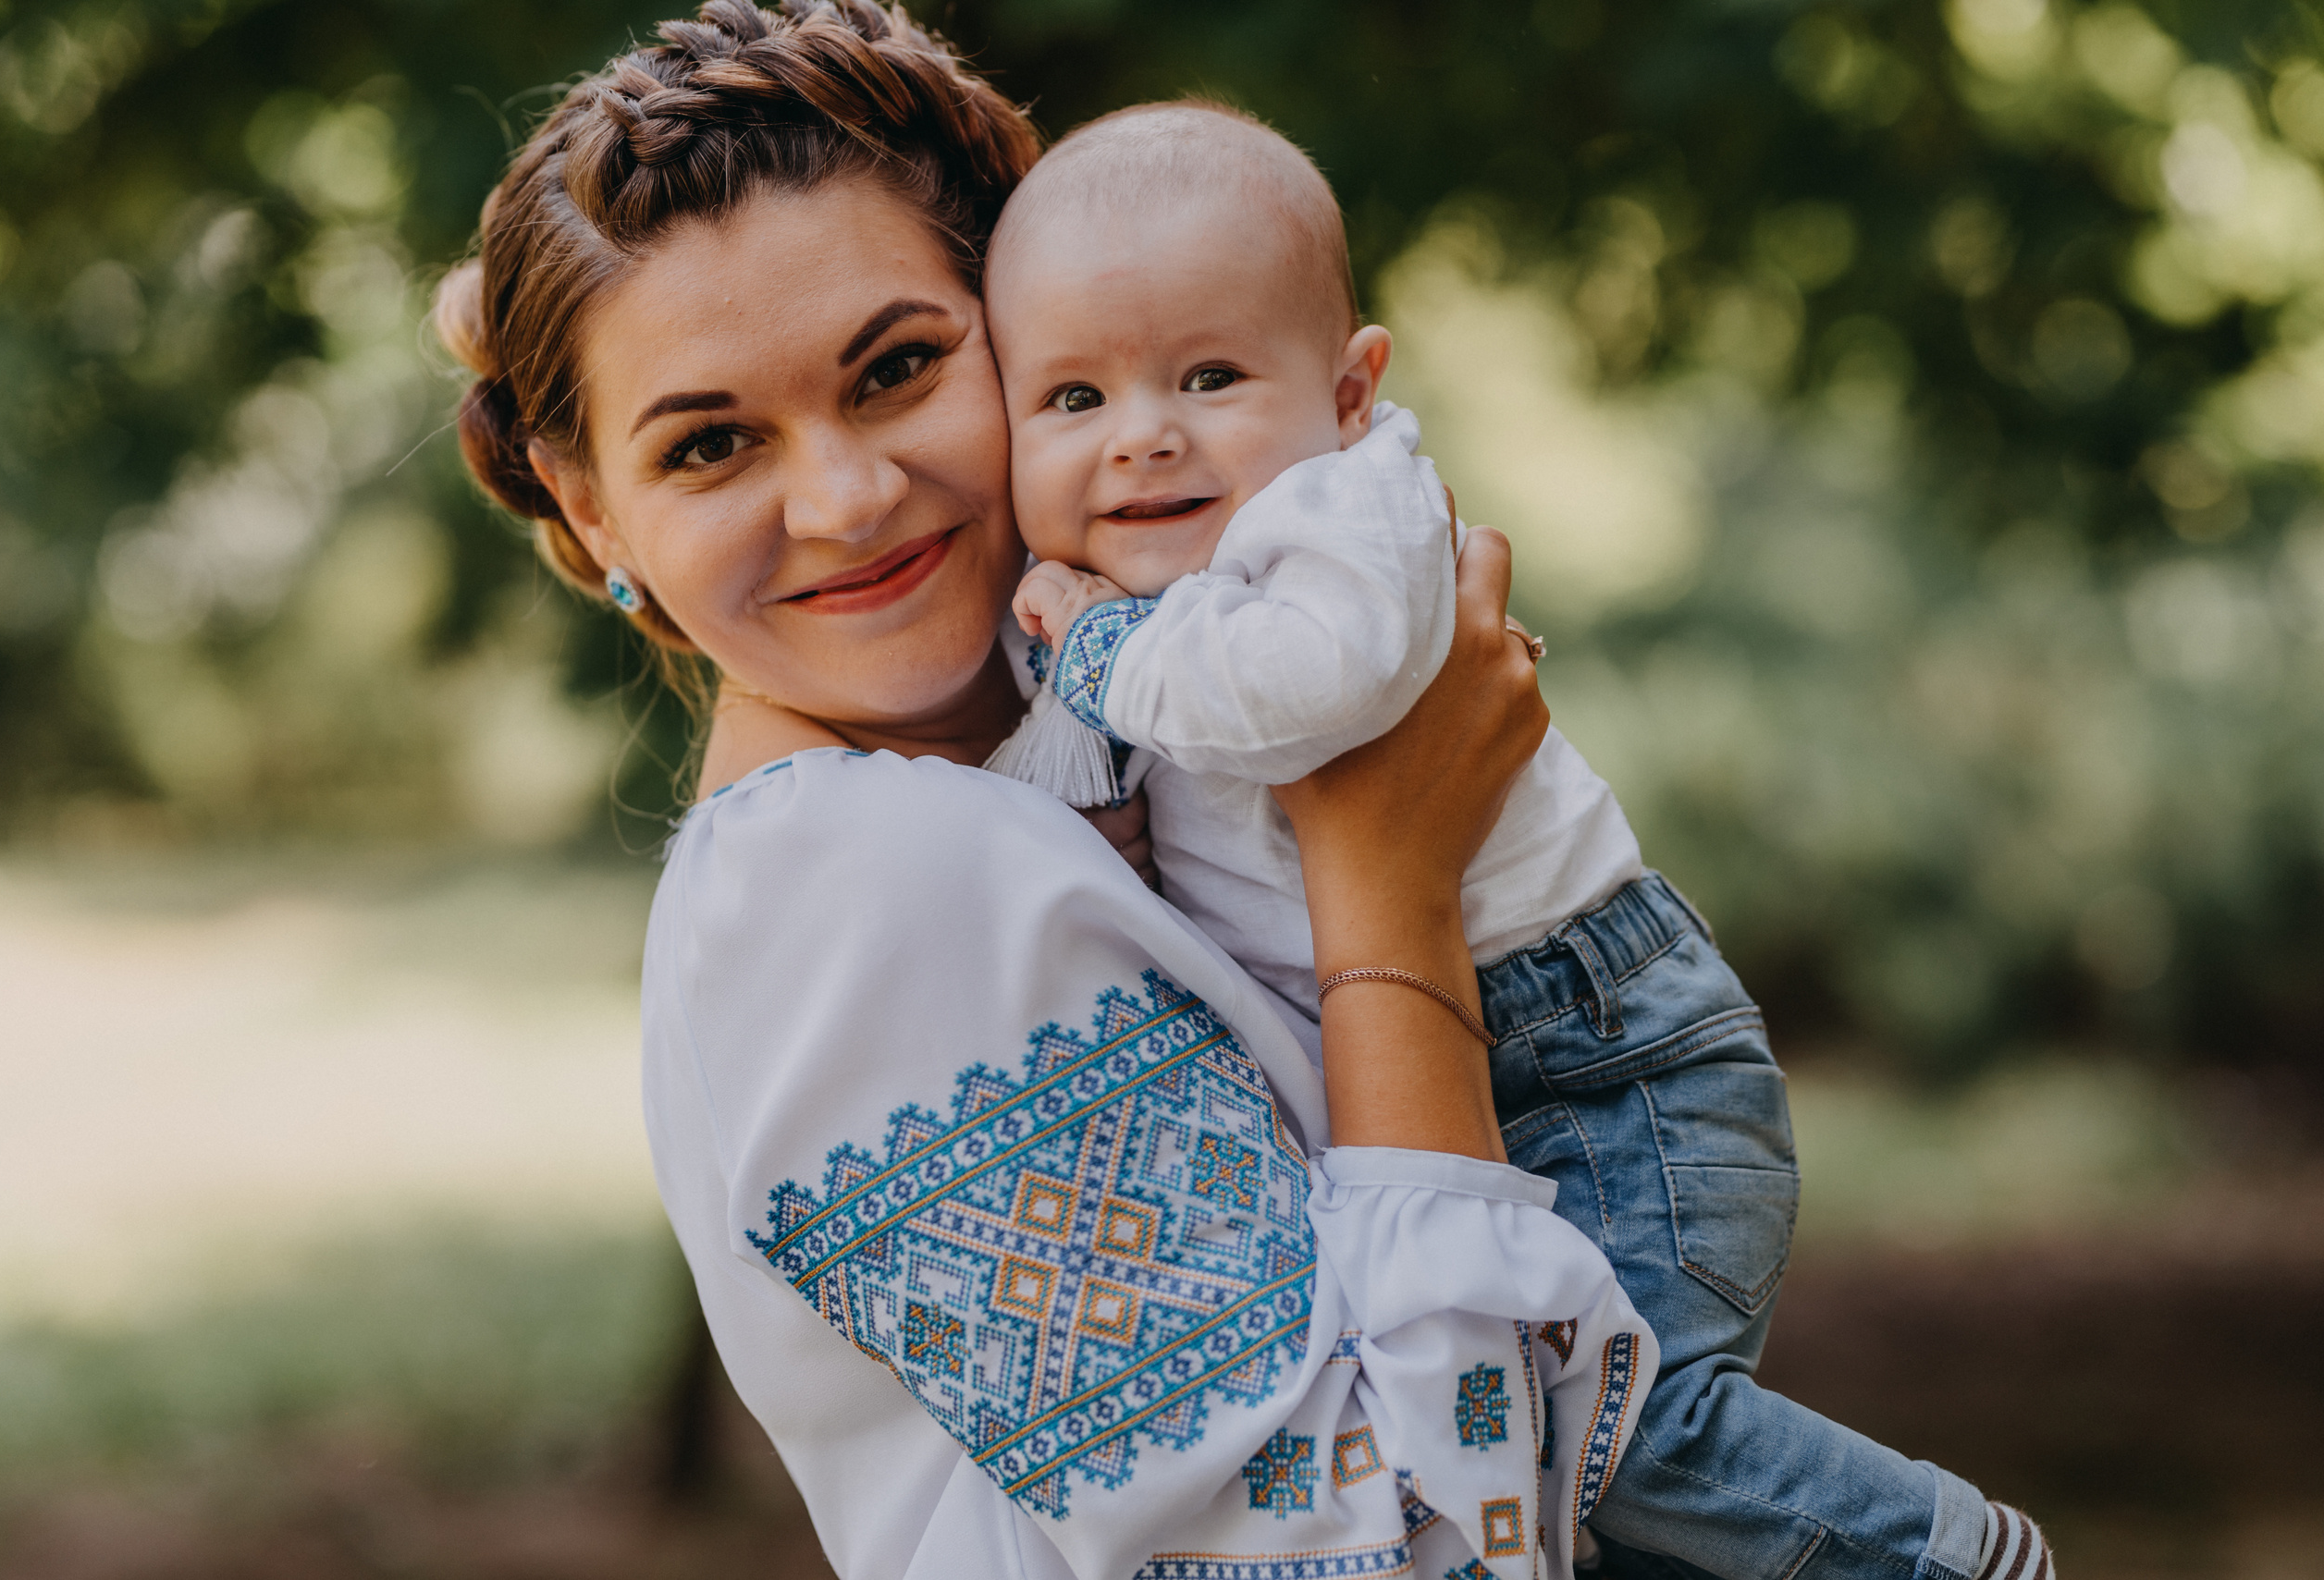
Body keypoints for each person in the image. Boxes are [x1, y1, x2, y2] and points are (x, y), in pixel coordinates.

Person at [431, 5, 1665, 1577]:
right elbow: (1414, 1548)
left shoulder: (1042, 797)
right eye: (709, 448)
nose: (846, 496)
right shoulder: (872, 877)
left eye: (896, 368)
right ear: (591, 509)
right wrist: (1386, 884)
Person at [978, 102, 2057, 1580]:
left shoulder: (1349, 518)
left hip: (1601, 1052)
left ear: (1352, 388)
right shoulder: (1111, 591)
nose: (1145, 431)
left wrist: (1095, 648)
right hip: (1461, 1056)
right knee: (1565, 1487)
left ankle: (1950, 1554)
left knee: (1618, 1429)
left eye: (1211, 375)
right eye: (1072, 399)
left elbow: (1305, 698)